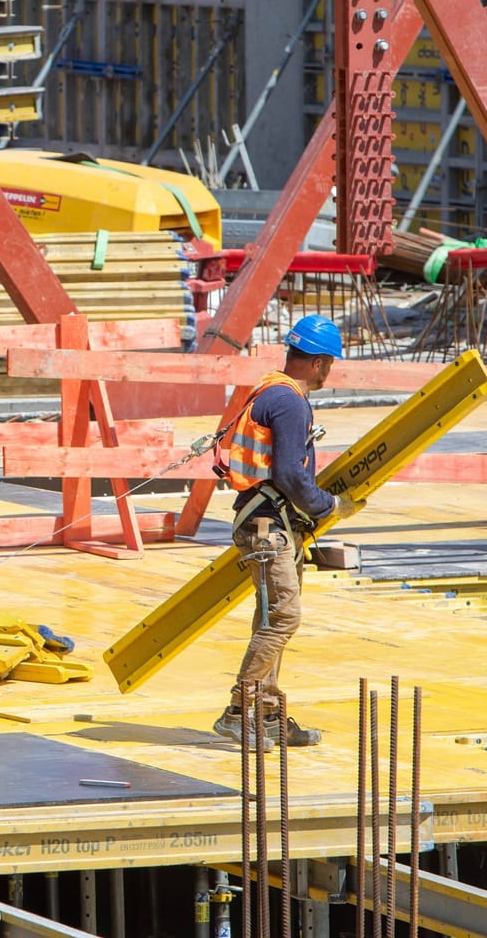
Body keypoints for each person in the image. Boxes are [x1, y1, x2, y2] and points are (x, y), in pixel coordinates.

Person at [210, 315, 357, 750]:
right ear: (318, 363)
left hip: (270, 523)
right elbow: (291, 473)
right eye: (329, 362)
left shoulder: (272, 390)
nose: (330, 370)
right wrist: (328, 505)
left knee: (271, 620)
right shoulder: (290, 402)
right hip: (267, 525)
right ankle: (240, 711)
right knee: (285, 617)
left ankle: (268, 714)